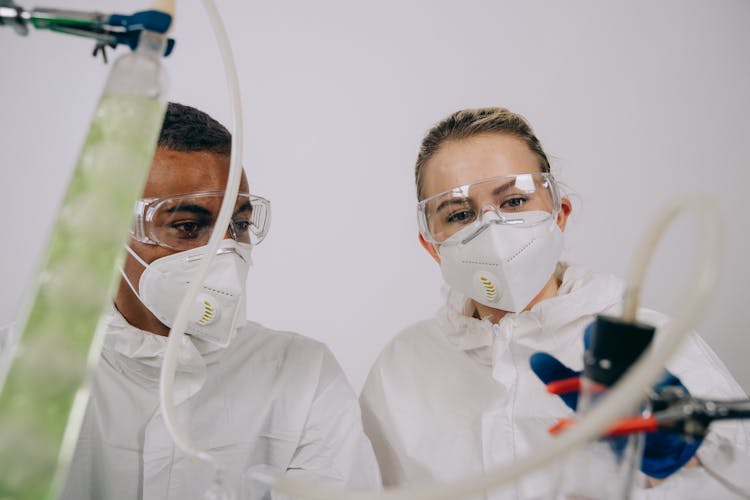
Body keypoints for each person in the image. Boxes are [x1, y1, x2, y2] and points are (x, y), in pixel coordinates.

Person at [359, 107, 750, 498]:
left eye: (513, 201)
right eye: (460, 213)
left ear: (558, 214)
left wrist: (678, 466)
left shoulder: (648, 348)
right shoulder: (403, 367)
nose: (490, 228)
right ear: (432, 246)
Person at [55, 102, 381, 499]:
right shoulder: (23, 374)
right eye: (189, 226)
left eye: (239, 224)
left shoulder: (302, 375)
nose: (225, 251)